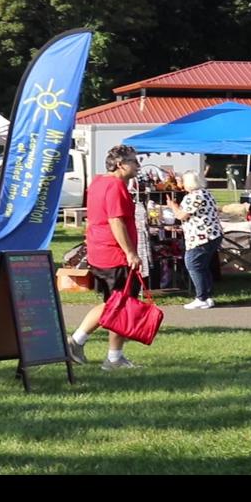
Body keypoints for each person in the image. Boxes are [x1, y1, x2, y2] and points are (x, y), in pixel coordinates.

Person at [65, 145, 145, 370]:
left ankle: (79, 342)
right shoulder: (116, 185)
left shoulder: (98, 183)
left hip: (99, 252)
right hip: (114, 254)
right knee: (120, 305)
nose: (137, 165)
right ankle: (112, 357)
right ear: (121, 164)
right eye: (134, 161)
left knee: (113, 303)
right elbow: (116, 221)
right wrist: (130, 252)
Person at [170, 169, 224, 311]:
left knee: (193, 264)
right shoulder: (206, 193)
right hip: (213, 234)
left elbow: (181, 215)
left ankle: (201, 298)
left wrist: (173, 206)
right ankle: (206, 296)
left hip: (201, 237)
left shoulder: (193, 196)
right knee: (203, 266)